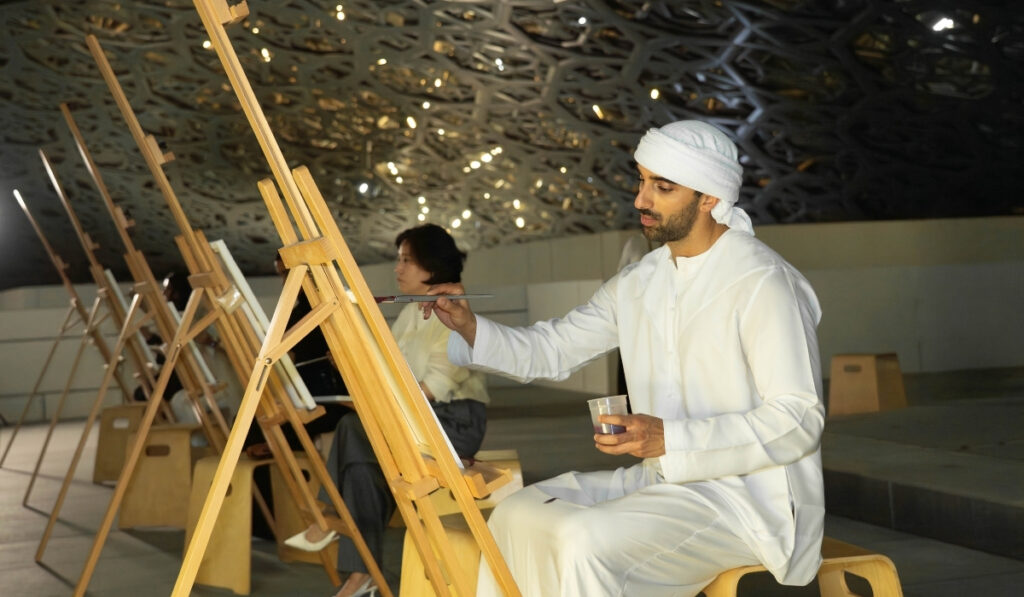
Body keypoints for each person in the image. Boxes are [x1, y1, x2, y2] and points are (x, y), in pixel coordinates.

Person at [426, 120, 825, 596]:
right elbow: (552, 349)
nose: (641, 200)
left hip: (745, 502)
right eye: (641, 181)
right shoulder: (640, 281)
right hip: (660, 483)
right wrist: (470, 327)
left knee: (584, 538)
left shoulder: (762, 281)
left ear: (710, 198)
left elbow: (798, 417)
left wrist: (668, 438)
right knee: (516, 512)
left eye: (663, 187)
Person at [285, 223, 490, 597]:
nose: (398, 269)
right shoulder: (412, 311)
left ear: (431, 266)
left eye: (407, 261)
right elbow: (389, 375)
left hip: (455, 420)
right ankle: (360, 573)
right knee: (364, 465)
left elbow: (432, 387)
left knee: (353, 427)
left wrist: (383, 403)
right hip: (425, 417)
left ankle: (333, 519)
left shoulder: (450, 309)